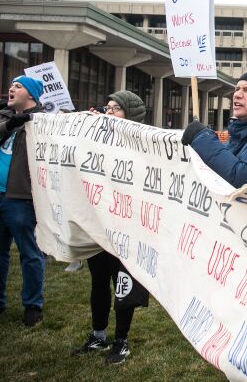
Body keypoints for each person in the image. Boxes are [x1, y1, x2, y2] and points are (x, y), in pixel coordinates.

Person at [73, 90, 149, 364]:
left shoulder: (144, 145)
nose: (109, 112)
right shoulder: (97, 140)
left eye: (116, 108)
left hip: (127, 226)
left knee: (123, 284)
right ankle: (98, 334)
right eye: (107, 107)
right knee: (98, 281)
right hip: (99, 224)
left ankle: (121, 339)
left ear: (131, 114)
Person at [0, 76, 46, 327]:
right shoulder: (2, 117)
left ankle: (32, 305)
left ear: (31, 94)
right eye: (11, 85)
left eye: (18, 86)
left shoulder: (42, 121)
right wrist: (9, 125)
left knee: (30, 254)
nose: (11, 89)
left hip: (21, 199)